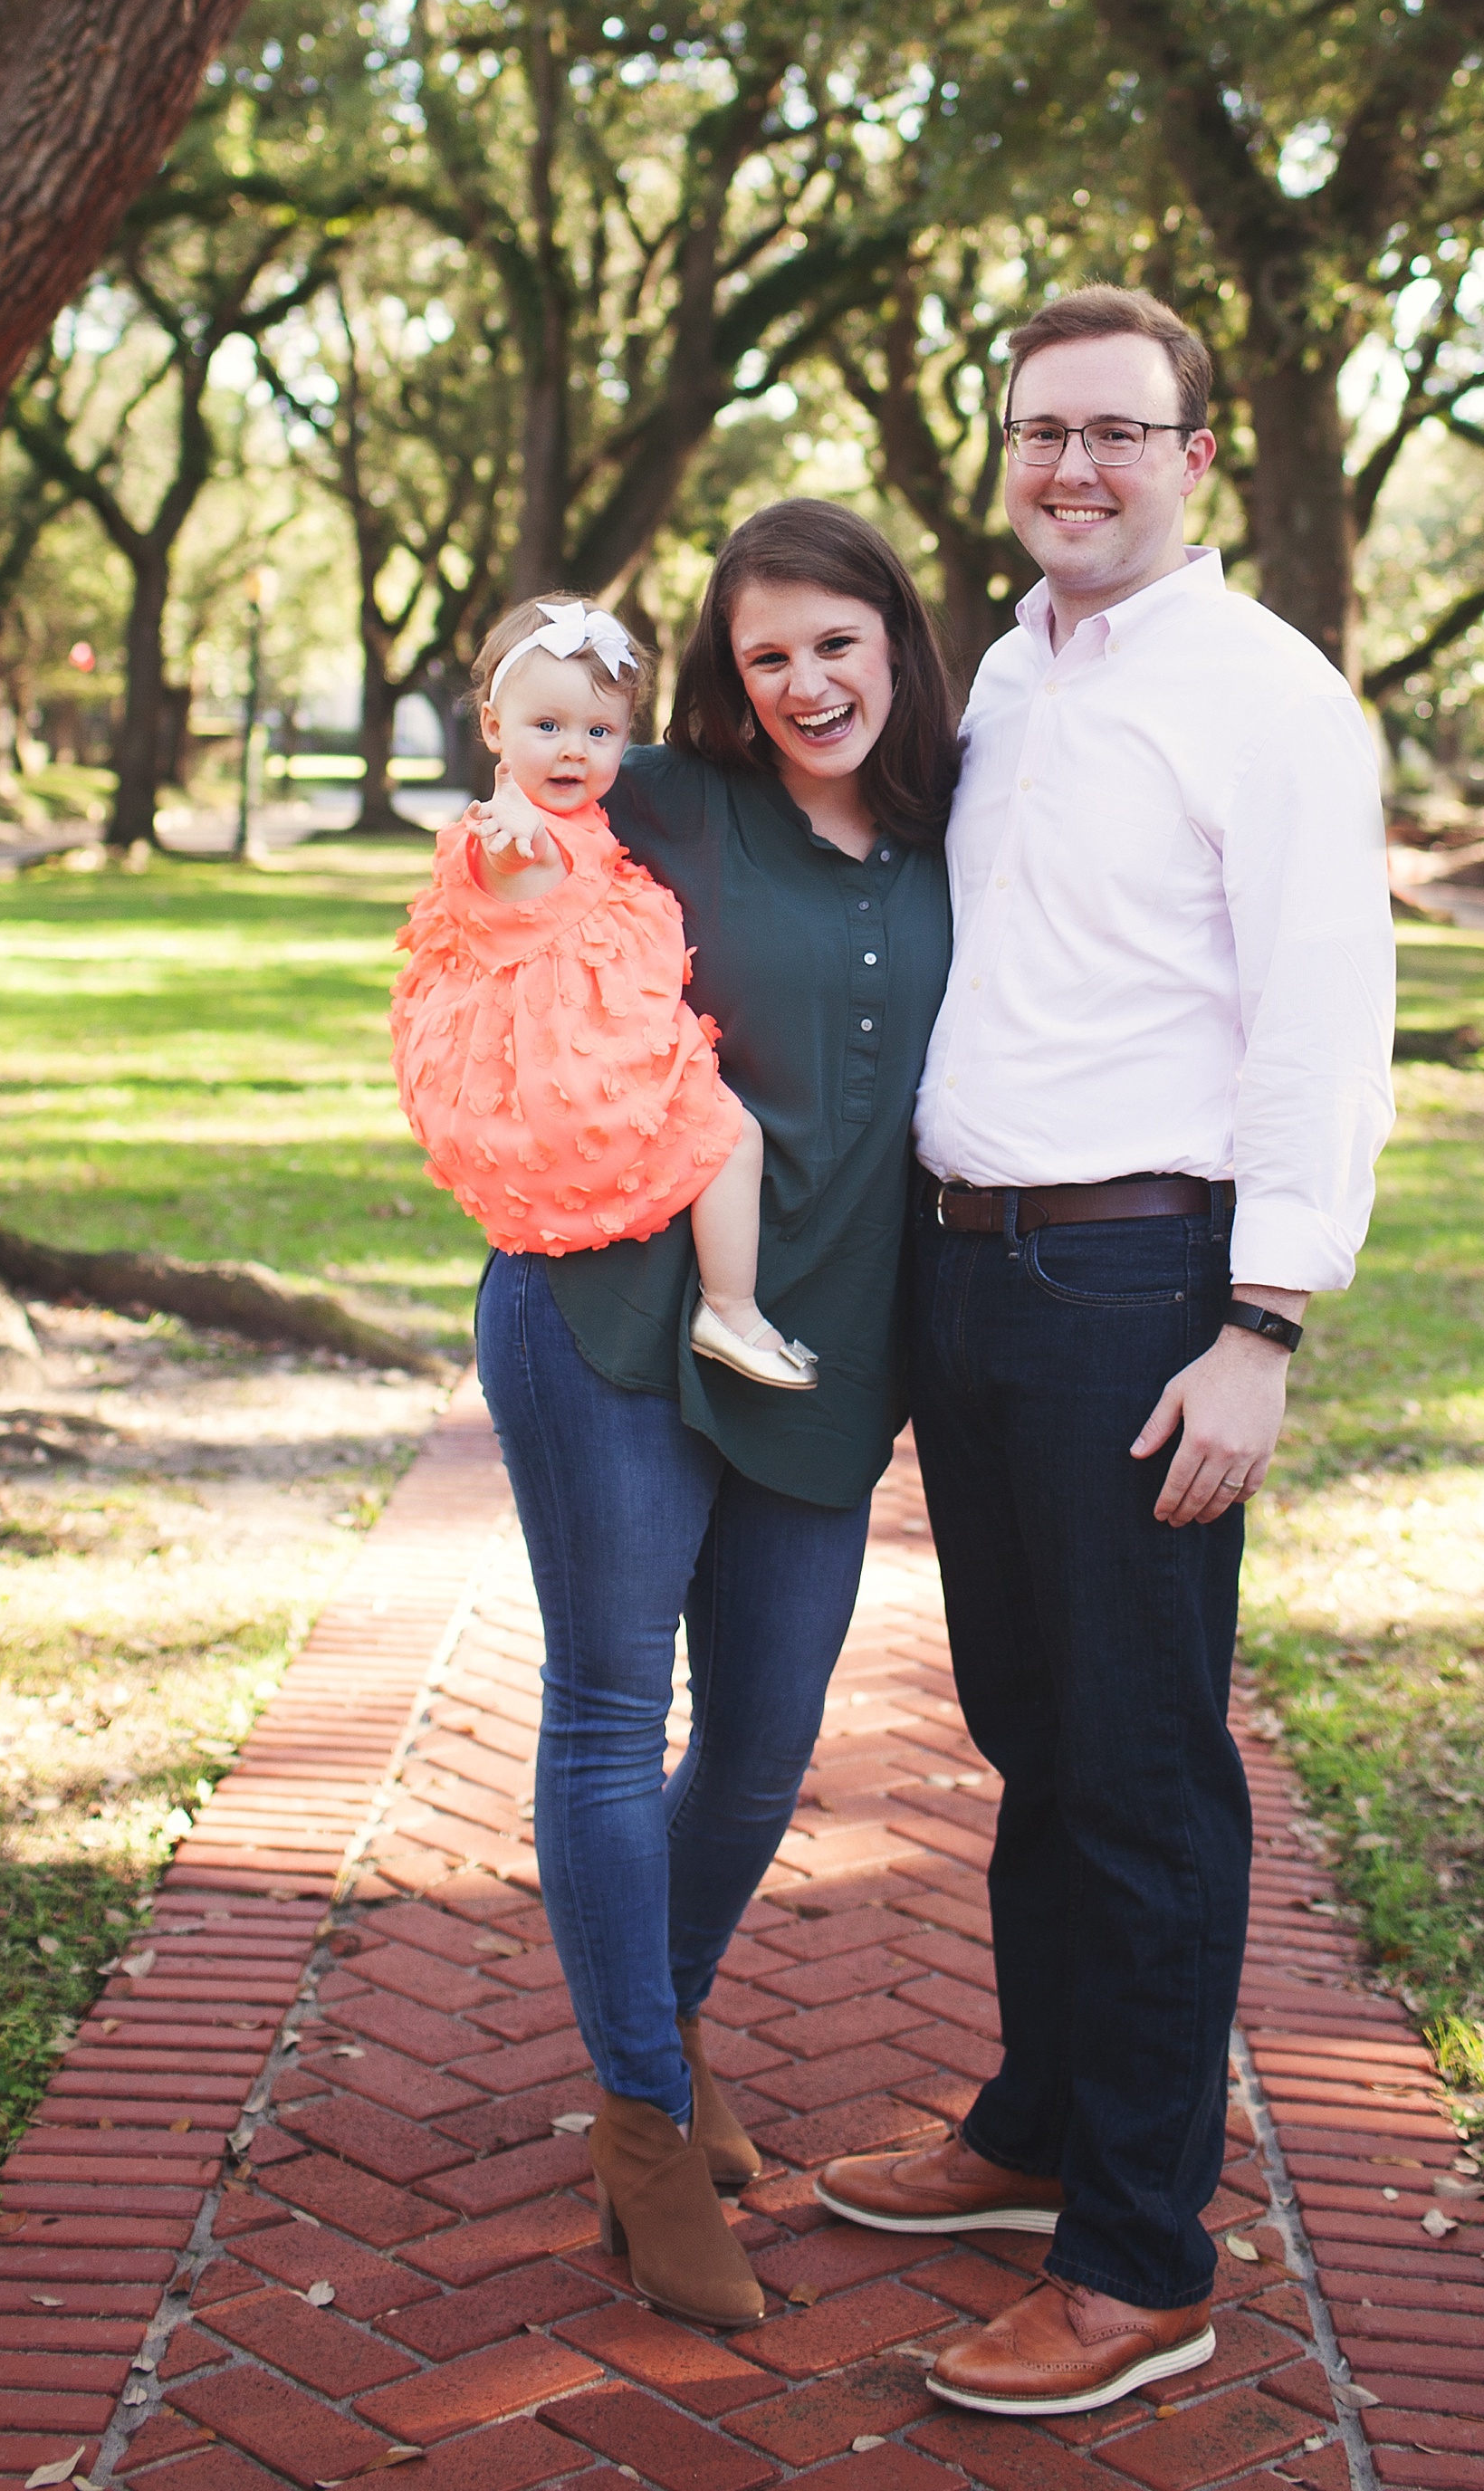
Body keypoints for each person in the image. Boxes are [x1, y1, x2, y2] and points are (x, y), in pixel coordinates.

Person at [819, 288, 1394, 2417]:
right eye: (1043, 431)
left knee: (1144, 1779)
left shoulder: (1265, 698)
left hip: (1142, 1294)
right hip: (971, 1282)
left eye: (1118, 434)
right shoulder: (1017, 684)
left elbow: (1326, 1026)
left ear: (1194, 457)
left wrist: (1262, 1328)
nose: (1075, 467)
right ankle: (1037, 2126)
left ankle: (1142, 2259)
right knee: (1034, 1739)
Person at [396, 503, 956, 2331]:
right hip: (614, 1311)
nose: (805, 682)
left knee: (767, 1741)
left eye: (836, 645)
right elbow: (513, 809)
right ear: (726, 672)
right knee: (612, 1707)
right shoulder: (671, 802)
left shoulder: (960, 834)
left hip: (827, 1346)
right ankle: (641, 2122)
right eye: (768, 651)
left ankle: (663, 2017)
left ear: (894, 648)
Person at [392, 594, 814, 1387]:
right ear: (493, 728)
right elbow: (500, 872)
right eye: (545, 728)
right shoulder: (508, 831)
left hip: (574, 1066)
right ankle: (731, 1309)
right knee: (731, 1135)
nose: (573, 752)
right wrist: (512, 850)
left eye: (599, 732)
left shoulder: (585, 819)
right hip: (571, 1081)